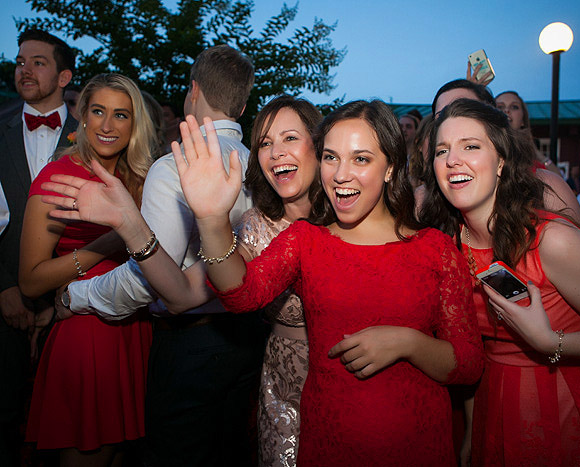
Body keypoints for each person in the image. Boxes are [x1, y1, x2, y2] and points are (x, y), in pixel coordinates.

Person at [43, 100, 485, 466]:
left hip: (414, 434)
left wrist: (407, 342)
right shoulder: (298, 239)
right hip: (318, 420)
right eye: (332, 157)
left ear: (390, 168)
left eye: (361, 159)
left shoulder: (432, 246)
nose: (341, 173)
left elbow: (467, 362)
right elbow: (229, 294)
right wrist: (202, 219)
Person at [54, 45, 263, 467]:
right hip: (249, 341)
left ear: (193, 90)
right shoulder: (262, 166)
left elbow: (147, 279)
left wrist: (75, 296)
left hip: (190, 346)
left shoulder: (174, 166)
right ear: (242, 107)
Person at [421, 98, 580, 465]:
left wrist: (550, 342)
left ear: (502, 161)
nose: (452, 160)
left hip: (567, 402)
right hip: (493, 404)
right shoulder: (445, 247)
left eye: (471, 146)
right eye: (442, 150)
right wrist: (471, 430)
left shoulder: (553, 240)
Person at [20, 73, 156, 466]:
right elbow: (30, 281)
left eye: (121, 115)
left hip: (138, 329)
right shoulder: (57, 177)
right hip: (87, 332)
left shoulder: (143, 180)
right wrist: (109, 242)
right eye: (98, 111)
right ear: (82, 115)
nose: (108, 125)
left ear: (135, 124)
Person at [0, 28, 77, 466]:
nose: (24, 70)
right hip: (4, 298)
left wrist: (60, 297)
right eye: (20, 62)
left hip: (72, 303)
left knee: (63, 426)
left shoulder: (94, 134)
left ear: (64, 77)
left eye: (38, 62)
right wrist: (3, 286)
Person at [237, 95, 321, 466]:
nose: (276, 153)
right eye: (265, 143)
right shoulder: (254, 225)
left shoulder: (353, 216)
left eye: (289, 138)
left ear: (319, 146)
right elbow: (201, 290)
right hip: (283, 386)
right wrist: (210, 221)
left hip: (352, 382)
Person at [432, 80, 580, 236]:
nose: (456, 117)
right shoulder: (431, 202)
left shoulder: (545, 190)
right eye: (441, 115)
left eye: (471, 147)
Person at [495, 90, 560, 177]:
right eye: (500, 107)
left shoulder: (531, 164)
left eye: (514, 107)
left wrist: (538, 155)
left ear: (523, 120)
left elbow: (558, 180)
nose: (506, 110)